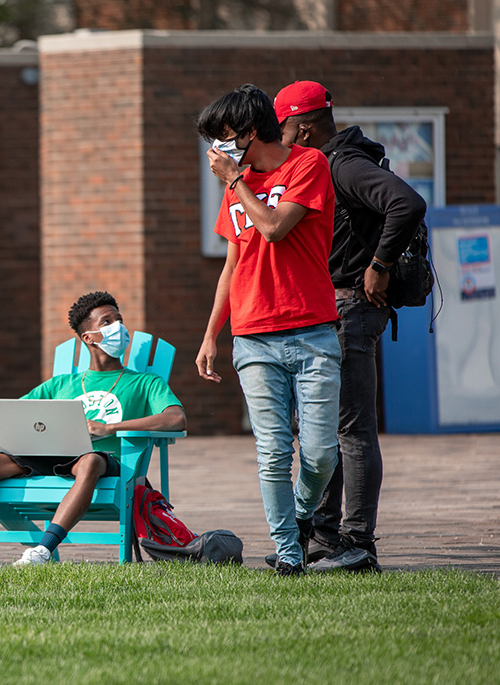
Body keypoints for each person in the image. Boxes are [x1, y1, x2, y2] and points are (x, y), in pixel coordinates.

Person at [0, 291, 186, 570]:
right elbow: (17, 416)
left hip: (108, 464)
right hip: (51, 459)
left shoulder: (145, 382)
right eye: (107, 322)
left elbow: (176, 419)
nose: (118, 328)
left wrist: (110, 427)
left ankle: (42, 551)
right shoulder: (61, 384)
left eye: (119, 320)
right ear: (88, 338)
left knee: (89, 461)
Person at [274, 81, 427, 573]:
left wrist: (379, 264)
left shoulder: (342, 165)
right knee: (325, 428)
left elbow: (407, 202)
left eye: (283, 129)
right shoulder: (326, 164)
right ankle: (324, 535)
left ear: (302, 125)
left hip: (349, 310)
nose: (282, 140)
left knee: (350, 430)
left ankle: (356, 542)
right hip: (332, 310)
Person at [194, 84, 342, 576]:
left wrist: (237, 181)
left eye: (223, 137)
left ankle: (300, 516)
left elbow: (276, 227)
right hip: (253, 335)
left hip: (312, 330)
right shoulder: (237, 188)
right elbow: (233, 263)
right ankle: (287, 551)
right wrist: (211, 334)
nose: (216, 149)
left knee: (320, 453)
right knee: (273, 450)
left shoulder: (308, 166)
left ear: (250, 132)